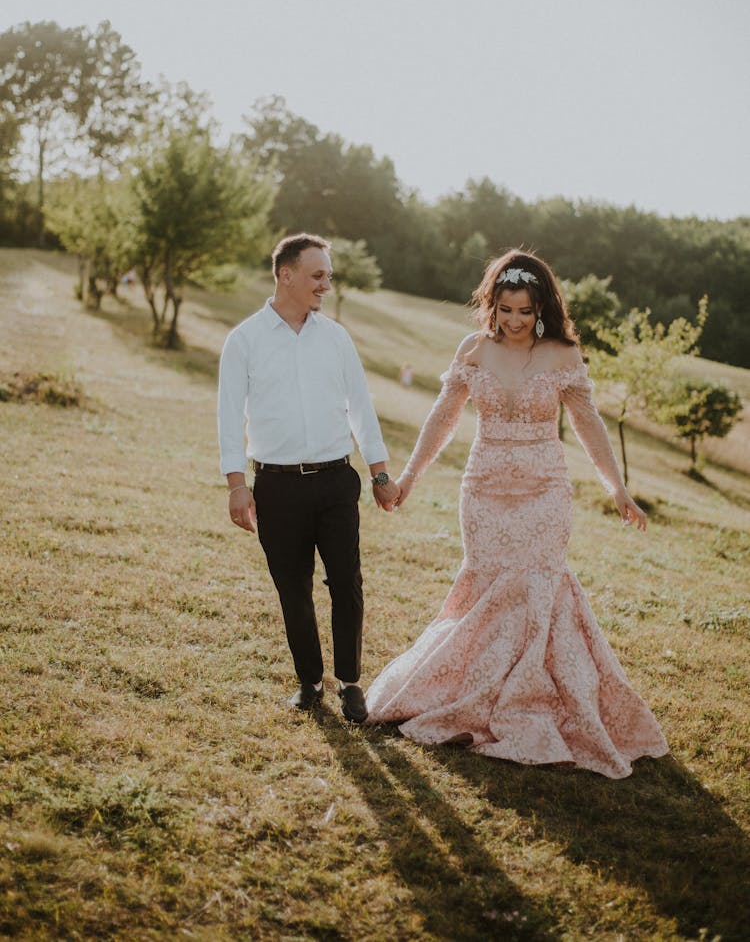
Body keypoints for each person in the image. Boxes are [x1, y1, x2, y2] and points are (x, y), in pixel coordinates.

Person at [367, 250, 669, 778]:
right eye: (505, 309)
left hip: (545, 488)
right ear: (492, 304)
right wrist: (410, 478)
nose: (513, 321)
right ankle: (472, 690)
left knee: (538, 585)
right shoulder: (474, 350)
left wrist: (617, 487)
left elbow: (588, 425)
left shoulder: (562, 355)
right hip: (484, 488)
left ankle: (538, 697)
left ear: (542, 309)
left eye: (524, 311)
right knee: (486, 584)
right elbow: (443, 418)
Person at [218, 233, 400, 723]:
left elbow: (361, 408)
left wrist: (380, 473)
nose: (326, 284)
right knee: (292, 587)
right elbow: (228, 417)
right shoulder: (244, 340)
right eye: (318, 275)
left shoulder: (336, 338)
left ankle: (350, 683)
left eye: (329, 275)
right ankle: (309, 681)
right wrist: (237, 484)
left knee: (346, 581)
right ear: (286, 275)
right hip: (275, 486)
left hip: (337, 480)